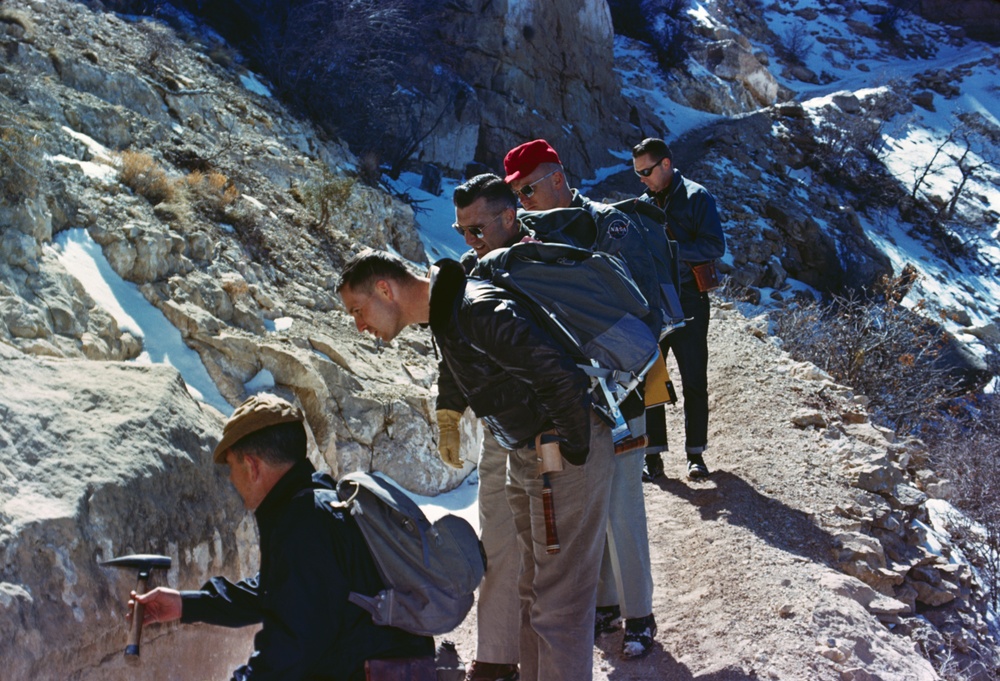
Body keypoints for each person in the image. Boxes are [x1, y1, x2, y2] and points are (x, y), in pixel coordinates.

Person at [338, 249, 614, 681]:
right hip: (528, 452)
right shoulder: (447, 314)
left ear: (385, 289)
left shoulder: (475, 308)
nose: (359, 325)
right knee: (533, 592)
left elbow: (561, 379)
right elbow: (462, 363)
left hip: (557, 453)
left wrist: (571, 457)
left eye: (358, 310)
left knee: (559, 603)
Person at [130, 394, 434, 681]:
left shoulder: (304, 526)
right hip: (393, 665)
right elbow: (279, 593)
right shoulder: (319, 503)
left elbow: (289, 650)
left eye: (232, 468)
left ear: (251, 466)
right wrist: (187, 604)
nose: (232, 481)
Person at [503, 141, 657, 658]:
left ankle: (640, 615)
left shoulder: (610, 227)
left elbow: (647, 309)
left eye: (528, 188)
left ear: (557, 178)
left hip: (625, 391)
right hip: (571, 398)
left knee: (622, 503)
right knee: (588, 507)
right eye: (515, 194)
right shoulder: (527, 241)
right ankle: (607, 603)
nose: (523, 202)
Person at [437, 174, 524, 681]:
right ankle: (495, 656)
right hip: (498, 426)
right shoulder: (468, 272)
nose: (470, 242)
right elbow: (451, 349)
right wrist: (449, 409)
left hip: (553, 428)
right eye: (462, 231)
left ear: (509, 217)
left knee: (548, 548)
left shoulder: (543, 261)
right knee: (497, 538)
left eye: (478, 229)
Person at [631, 137, 726, 481]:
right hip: (653, 304)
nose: (641, 179)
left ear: (666, 164)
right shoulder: (641, 204)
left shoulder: (698, 197)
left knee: (694, 378)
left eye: (646, 171)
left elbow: (715, 245)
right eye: (637, 172)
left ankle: (695, 455)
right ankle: (653, 458)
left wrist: (670, 249)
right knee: (652, 380)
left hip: (689, 300)